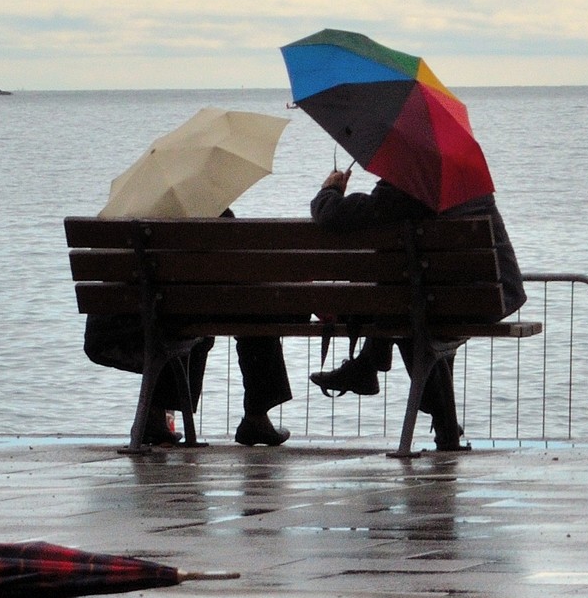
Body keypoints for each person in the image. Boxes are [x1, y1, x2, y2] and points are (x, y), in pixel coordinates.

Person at [306, 168, 526, 450]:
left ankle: (369, 366)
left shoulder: (406, 185)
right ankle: (371, 367)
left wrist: (330, 191)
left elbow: (334, 216)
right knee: (408, 305)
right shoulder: (471, 182)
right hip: (490, 297)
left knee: (406, 310)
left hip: (433, 303)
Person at [82, 208, 293, 447]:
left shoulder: (126, 213)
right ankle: (256, 417)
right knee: (253, 315)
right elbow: (237, 270)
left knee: (179, 319)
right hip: (168, 319)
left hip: (116, 326)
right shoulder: (213, 214)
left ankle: (154, 418)